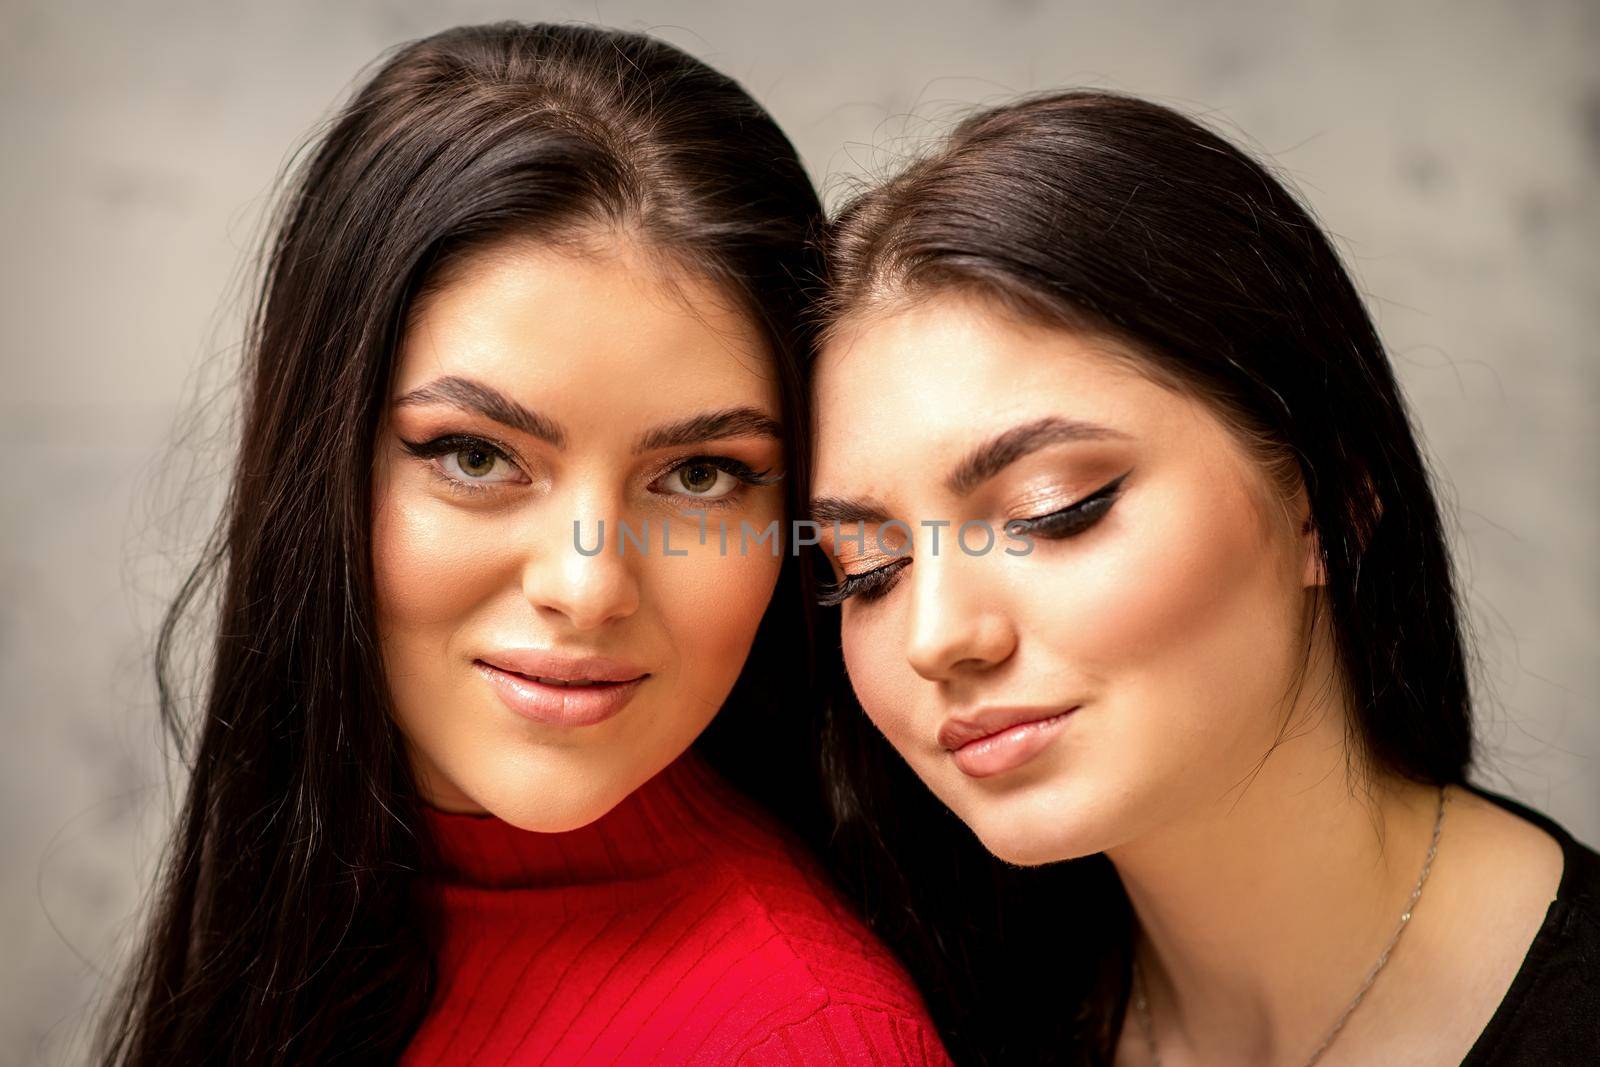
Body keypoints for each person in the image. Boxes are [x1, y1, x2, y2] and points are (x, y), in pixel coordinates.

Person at [99, 22, 949, 1066]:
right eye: (473, 455)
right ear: (320, 459)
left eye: (699, 474)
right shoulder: (309, 894)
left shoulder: (804, 1038)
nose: (587, 586)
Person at [808, 90, 1600, 1065]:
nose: (937, 634)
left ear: (1329, 499)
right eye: (868, 568)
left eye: (1054, 508)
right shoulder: (909, 1013)